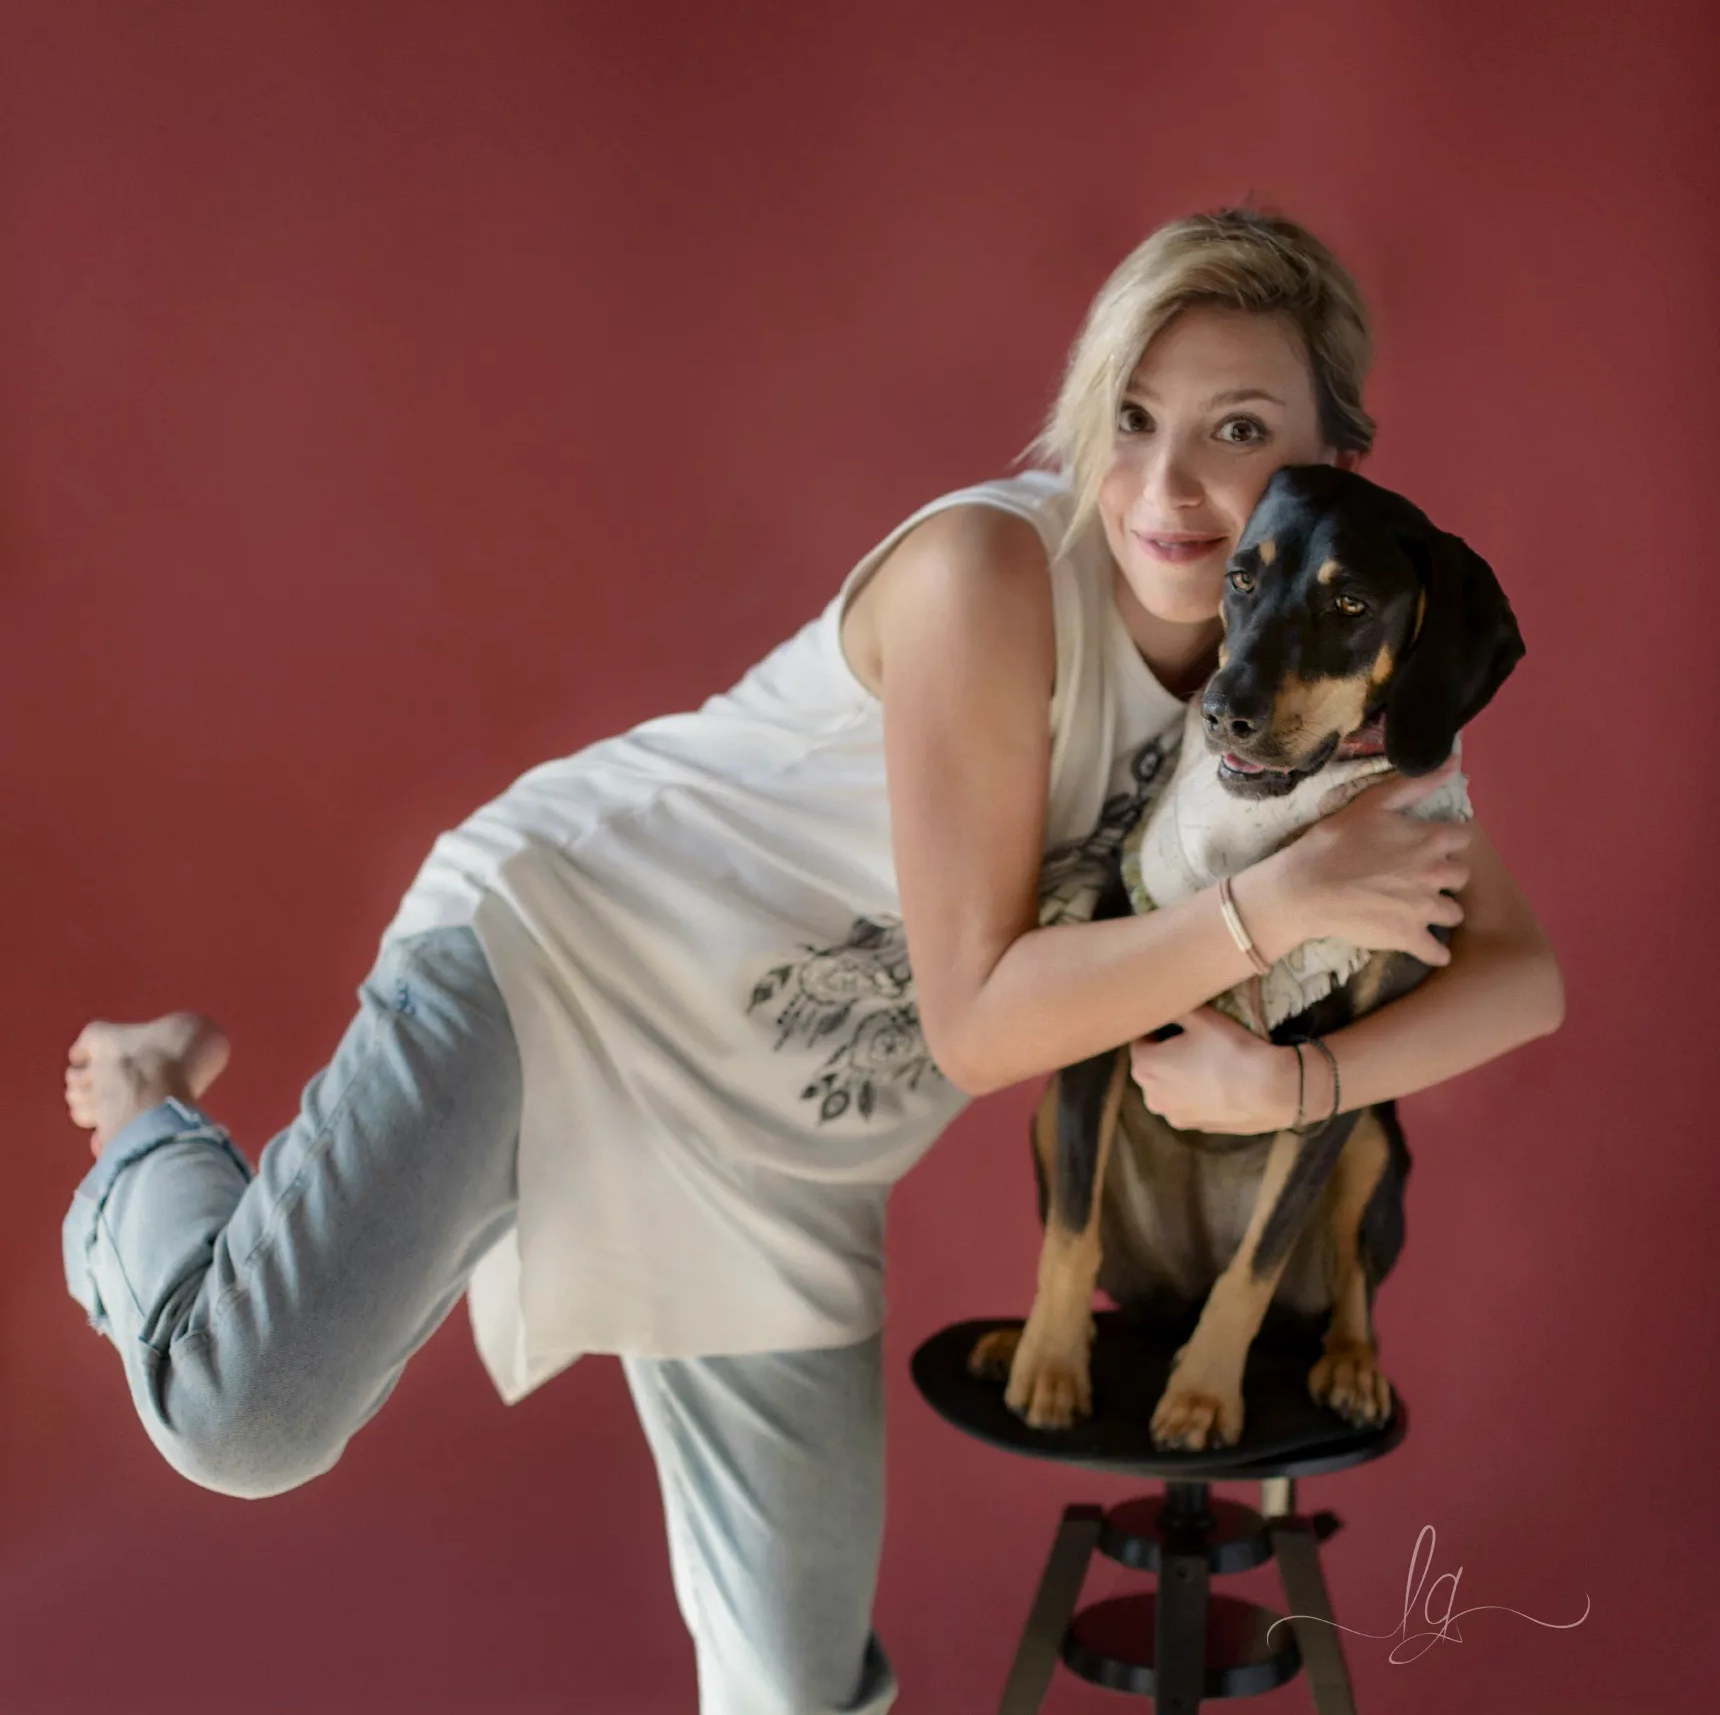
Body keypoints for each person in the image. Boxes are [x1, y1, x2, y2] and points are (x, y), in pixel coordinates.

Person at [60, 207, 1563, 1715]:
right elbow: (979, 1027)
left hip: (789, 1158)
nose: (1166, 487)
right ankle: (142, 1112)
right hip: (567, 970)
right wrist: (1273, 910)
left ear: (1333, 461)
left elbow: (1519, 977)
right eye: (1129, 416)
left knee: (795, 1695)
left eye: (1236, 430)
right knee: (244, 1419)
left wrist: (1297, 1083)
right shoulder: (989, 569)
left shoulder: (1308, 677)